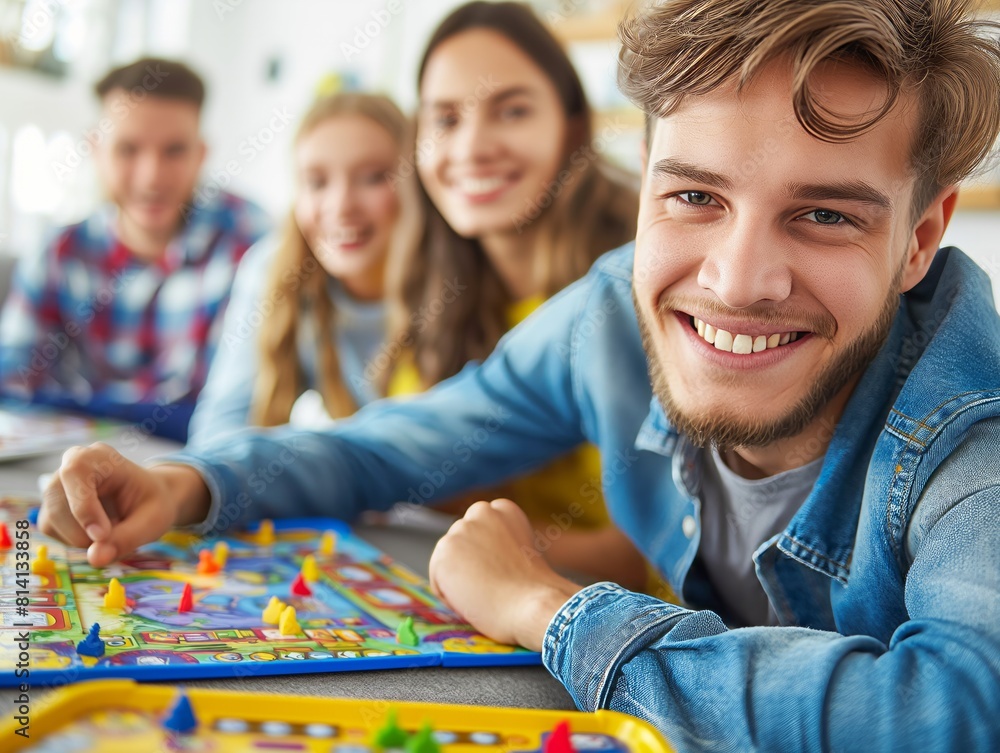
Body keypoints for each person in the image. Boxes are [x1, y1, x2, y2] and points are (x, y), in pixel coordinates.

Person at [38, 0, 1000, 749]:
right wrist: (191, 482)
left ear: (919, 239)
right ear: (645, 186)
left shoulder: (975, 438)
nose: (737, 281)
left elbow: (959, 717)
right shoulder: (605, 316)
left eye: (826, 214)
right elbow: (399, 439)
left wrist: (549, 608)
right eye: (695, 195)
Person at [382, 1, 645, 586]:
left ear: (572, 127)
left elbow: (644, 554)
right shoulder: (430, 291)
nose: (472, 146)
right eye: (446, 118)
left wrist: (496, 547)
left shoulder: (633, 291)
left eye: (512, 111)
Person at [0, 58, 270, 441]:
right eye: (128, 149)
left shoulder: (252, 242)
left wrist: (82, 408)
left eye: (174, 151)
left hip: (194, 475)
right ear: (95, 148)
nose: (151, 177)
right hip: (66, 465)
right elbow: (12, 386)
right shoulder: (58, 251)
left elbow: (238, 411)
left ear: (201, 154)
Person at [186, 93, 417, 445]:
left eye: (373, 177)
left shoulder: (446, 279)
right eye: (317, 182)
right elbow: (221, 426)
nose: (341, 206)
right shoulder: (272, 267)